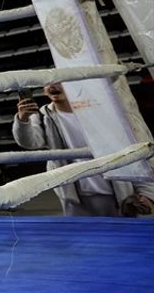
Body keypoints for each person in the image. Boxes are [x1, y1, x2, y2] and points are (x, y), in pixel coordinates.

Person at [13, 84, 154, 216]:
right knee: (85, 238)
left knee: (124, 237)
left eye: (59, 81)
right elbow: (31, 143)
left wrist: (147, 192)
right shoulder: (43, 116)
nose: (53, 86)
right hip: (74, 196)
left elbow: (132, 150)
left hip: (114, 191)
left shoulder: (100, 111)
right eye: (47, 83)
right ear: (44, 90)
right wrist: (23, 120)